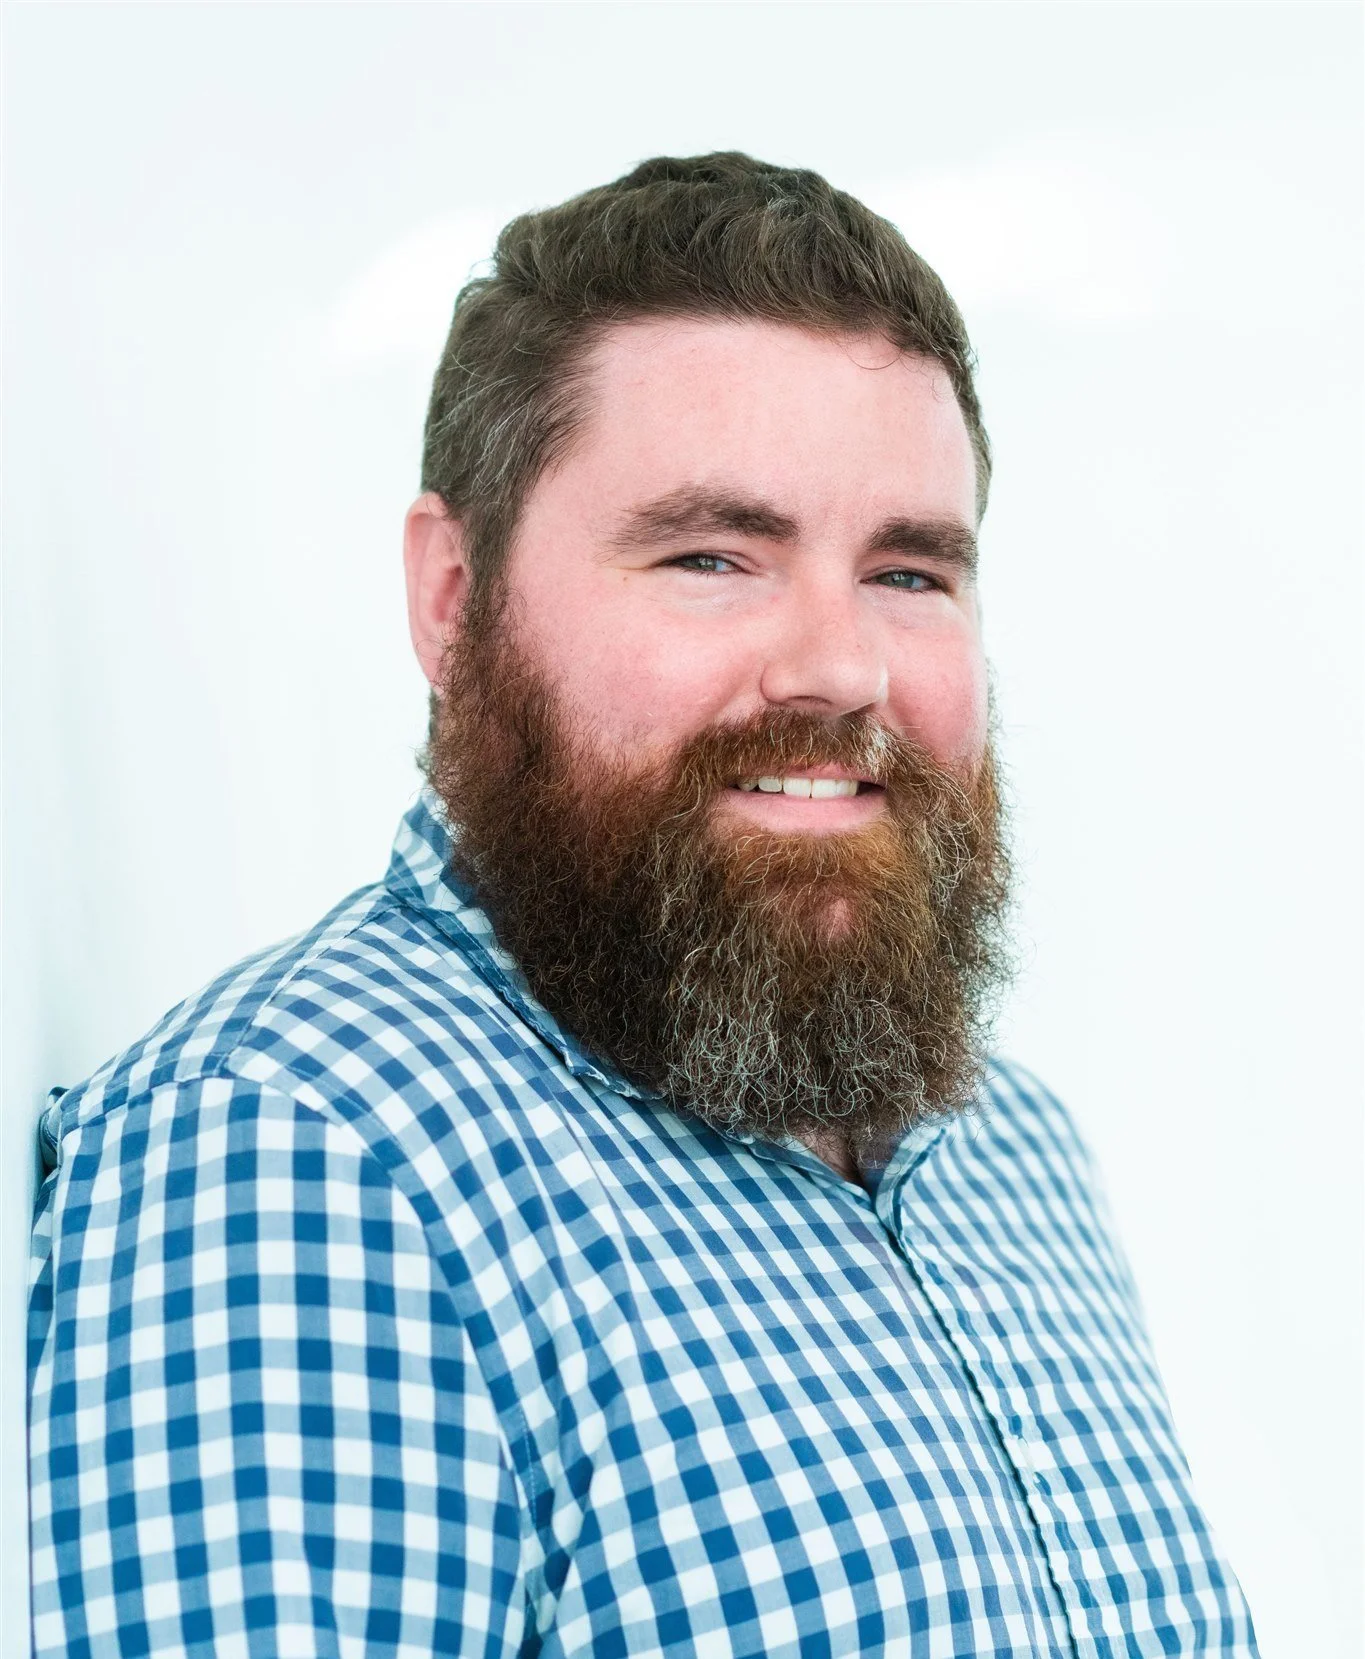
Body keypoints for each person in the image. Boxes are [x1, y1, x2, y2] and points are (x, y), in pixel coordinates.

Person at [27, 153, 1259, 1657]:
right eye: (710, 555)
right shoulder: (297, 1158)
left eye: (912, 571)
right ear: (452, 594)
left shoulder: (1013, 1152)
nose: (842, 667)